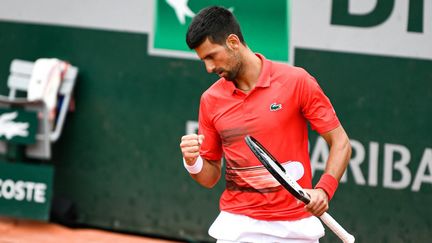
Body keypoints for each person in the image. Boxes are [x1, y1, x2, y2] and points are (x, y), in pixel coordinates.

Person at [180, 6, 352, 243]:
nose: (209, 68)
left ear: (232, 42)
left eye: (211, 56)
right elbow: (210, 177)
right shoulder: (210, 100)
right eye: (203, 60)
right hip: (237, 226)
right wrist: (193, 162)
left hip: (295, 230)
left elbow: (340, 141)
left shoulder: (297, 81)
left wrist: (324, 190)